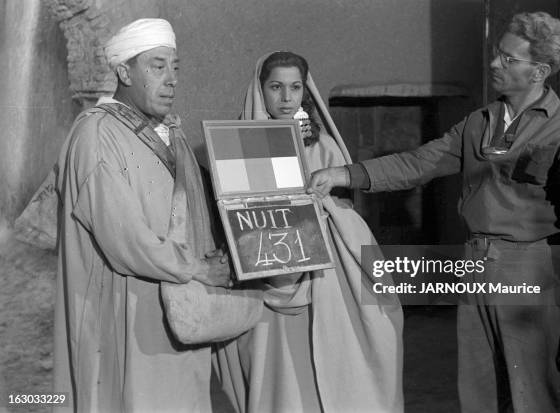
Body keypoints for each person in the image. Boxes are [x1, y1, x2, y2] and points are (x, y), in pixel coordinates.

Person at [308, 12, 560, 413]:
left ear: (539, 71)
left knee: (534, 397)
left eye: (508, 59)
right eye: (497, 54)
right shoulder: (477, 124)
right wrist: (344, 173)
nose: (494, 64)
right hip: (475, 265)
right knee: (480, 396)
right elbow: (419, 162)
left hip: (532, 272)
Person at [53, 18, 230, 412]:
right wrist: (197, 270)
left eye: (175, 67)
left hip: (179, 312)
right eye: (157, 65)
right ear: (123, 72)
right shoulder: (97, 136)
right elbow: (125, 239)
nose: (171, 79)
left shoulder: (169, 133)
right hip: (125, 318)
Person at [213, 51, 404, 413]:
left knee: (331, 371)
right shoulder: (236, 142)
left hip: (326, 275)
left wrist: (321, 207)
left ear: (306, 90)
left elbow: (347, 206)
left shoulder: (324, 144)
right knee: (279, 379)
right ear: (260, 89)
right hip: (266, 269)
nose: (287, 98)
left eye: (295, 87)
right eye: (276, 87)